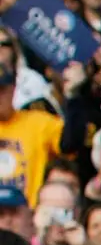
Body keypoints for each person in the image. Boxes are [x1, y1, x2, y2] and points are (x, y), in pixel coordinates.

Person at [0, 66, 66, 204]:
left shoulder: (39, 123)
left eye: (1, 91)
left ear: (13, 89)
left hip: (29, 213)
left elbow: (69, 145)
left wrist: (73, 97)